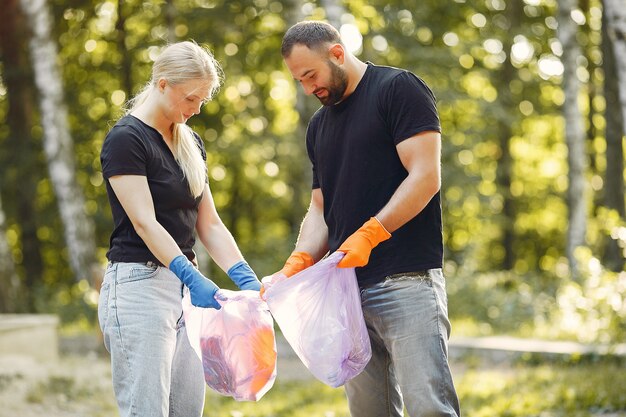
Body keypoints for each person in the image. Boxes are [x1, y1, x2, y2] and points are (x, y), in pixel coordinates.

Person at [278, 21, 460, 416]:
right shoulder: (318, 126)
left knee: (429, 407)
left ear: (337, 54)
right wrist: (299, 260)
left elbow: (425, 176)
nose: (309, 89)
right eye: (299, 81)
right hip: (346, 291)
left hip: (407, 281)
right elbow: (320, 208)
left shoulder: (398, 90)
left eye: (311, 75)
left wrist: (371, 233)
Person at [98, 41, 261, 417]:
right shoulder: (127, 140)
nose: (198, 108)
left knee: (187, 409)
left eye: (202, 99)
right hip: (140, 287)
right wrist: (188, 272)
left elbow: (210, 223)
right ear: (162, 84)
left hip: (185, 293)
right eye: (191, 98)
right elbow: (144, 222)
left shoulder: (190, 144)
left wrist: (244, 275)